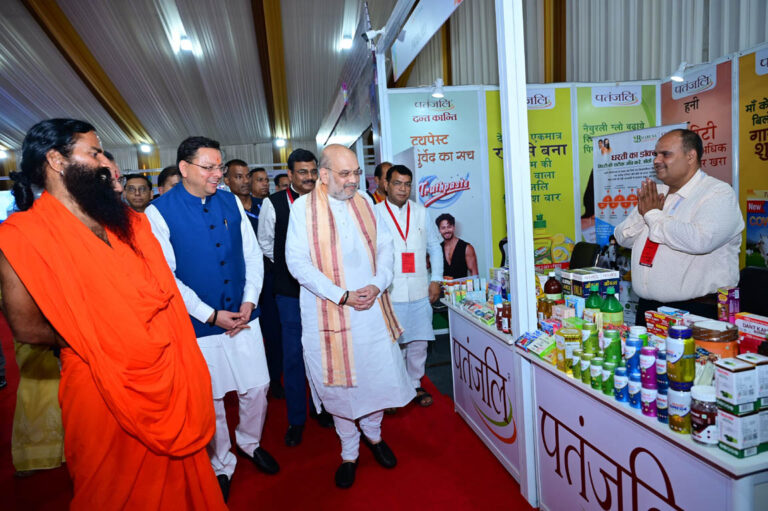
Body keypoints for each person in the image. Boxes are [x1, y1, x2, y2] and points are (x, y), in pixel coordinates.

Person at [0, 119, 225, 508]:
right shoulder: (22, 234)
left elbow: (163, 294)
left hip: (165, 370)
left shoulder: (128, 222)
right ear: (56, 160)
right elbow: (25, 327)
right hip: (96, 379)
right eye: (94, 153)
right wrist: (101, 340)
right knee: (110, 488)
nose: (105, 162)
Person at [146, 136, 278, 502]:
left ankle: (249, 443)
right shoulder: (158, 212)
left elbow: (252, 254)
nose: (218, 174)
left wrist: (250, 299)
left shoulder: (230, 201)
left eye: (219, 166)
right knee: (213, 398)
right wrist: (209, 314)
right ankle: (222, 462)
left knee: (257, 387)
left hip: (245, 314)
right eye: (209, 167)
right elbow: (167, 276)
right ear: (184, 168)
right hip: (200, 325)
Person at [286, 144, 414, 489]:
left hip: (371, 310)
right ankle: (349, 451)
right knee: (340, 385)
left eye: (356, 172)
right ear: (324, 175)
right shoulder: (302, 210)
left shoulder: (367, 203)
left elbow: (386, 247)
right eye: (345, 174)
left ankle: (374, 435)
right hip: (329, 311)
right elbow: (297, 263)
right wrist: (341, 295)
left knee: (374, 376)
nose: (353, 180)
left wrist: (377, 283)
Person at [614, 129, 744, 324]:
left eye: (665, 154)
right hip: (648, 309)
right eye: (655, 154)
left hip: (697, 311)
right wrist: (644, 215)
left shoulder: (718, 193)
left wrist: (652, 214)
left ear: (690, 156)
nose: (656, 160)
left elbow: (700, 240)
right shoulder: (657, 192)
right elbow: (623, 237)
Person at [258, 148, 331, 447]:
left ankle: (321, 408)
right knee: (293, 357)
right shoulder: (273, 203)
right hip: (289, 292)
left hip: (323, 290)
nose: (309, 177)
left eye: (313, 171)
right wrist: (291, 267)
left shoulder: (326, 200)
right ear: (289, 174)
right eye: (302, 172)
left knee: (323, 353)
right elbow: (266, 243)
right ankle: (297, 419)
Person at [377, 164, 443, 408]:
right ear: (386, 185)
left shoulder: (421, 212)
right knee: (390, 342)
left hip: (419, 288)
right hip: (389, 291)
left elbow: (434, 247)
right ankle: (393, 387)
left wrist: (436, 279)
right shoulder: (374, 213)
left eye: (407, 184)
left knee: (419, 340)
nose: (403, 189)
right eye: (397, 183)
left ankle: (414, 383)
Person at [227, 160, 285, 400]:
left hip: (269, 278)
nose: (244, 181)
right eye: (237, 176)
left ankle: (274, 378)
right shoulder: (225, 207)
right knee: (242, 332)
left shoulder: (264, 205)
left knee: (273, 331)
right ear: (226, 180)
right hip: (239, 281)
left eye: (246, 176)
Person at [436, 213, 479, 278]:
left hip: (463, 285)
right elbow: (425, 266)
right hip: (442, 284)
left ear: (454, 227)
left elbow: (474, 274)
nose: (446, 230)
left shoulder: (467, 248)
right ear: (439, 230)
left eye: (449, 227)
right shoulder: (437, 249)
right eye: (443, 228)